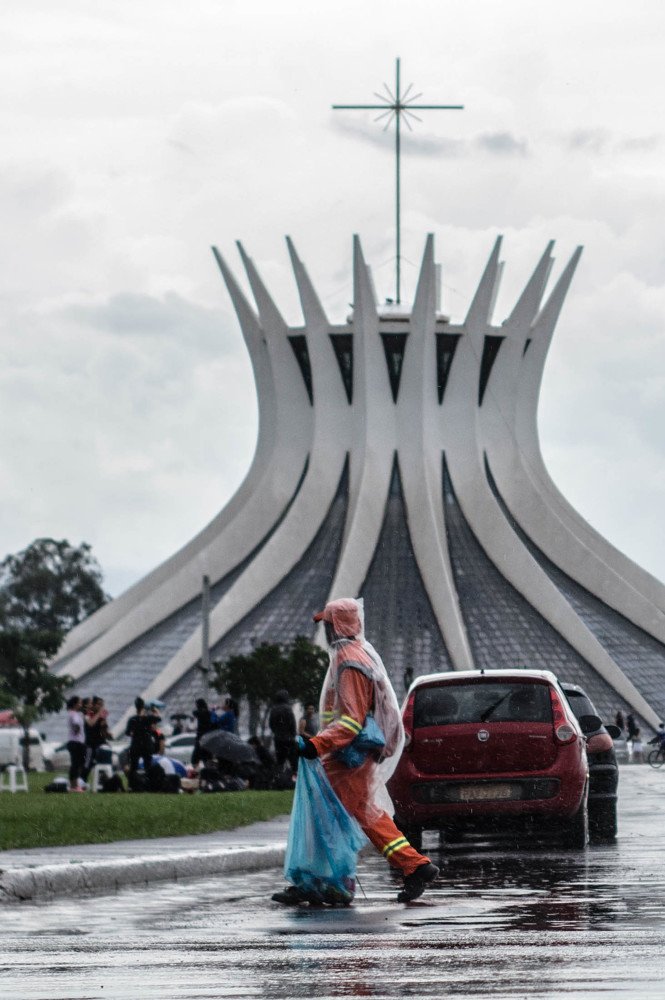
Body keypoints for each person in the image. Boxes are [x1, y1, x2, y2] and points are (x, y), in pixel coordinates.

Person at [272, 597, 438, 906]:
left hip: (346, 755)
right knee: (365, 814)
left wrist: (317, 744)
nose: (325, 631)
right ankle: (413, 866)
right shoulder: (357, 655)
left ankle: (321, 882)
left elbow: (350, 721)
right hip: (356, 753)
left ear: (337, 626)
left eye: (327, 624)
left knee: (325, 817)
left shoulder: (350, 660)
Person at [269, 690, 299, 776]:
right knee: (293, 760)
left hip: (278, 739)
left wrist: (277, 732)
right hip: (289, 739)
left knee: (280, 761)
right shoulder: (288, 709)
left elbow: (271, 724)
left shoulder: (273, 709)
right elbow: (292, 724)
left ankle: (279, 778)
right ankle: (294, 778)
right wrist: (292, 735)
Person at [125, 697, 155, 780]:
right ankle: (149, 784)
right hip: (147, 745)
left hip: (136, 745)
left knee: (134, 766)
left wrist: (133, 733)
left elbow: (127, 732)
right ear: (143, 706)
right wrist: (154, 711)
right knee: (148, 766)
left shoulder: (132, 719)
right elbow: (155, 724)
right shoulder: (148, 719)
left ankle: (132, 784)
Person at [66, 695, 86, 792]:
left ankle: (74, 784)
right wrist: (77, 731)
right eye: (79, 703)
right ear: (75, 704)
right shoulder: (74, 714)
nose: (81, 705)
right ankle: (74, 785)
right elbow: (76, 725)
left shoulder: (72, 713)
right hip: (76, 742)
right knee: (76, 764)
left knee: (76, 763)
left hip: (74, 741)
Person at [192, 698, 216, 765]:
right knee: (207, 758)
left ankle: (197, 772)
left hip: (201, 737)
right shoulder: (209, 713)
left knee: (194, 759)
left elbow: (194, 712)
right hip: (208, 737)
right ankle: (210, 770)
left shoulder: (199, 713)